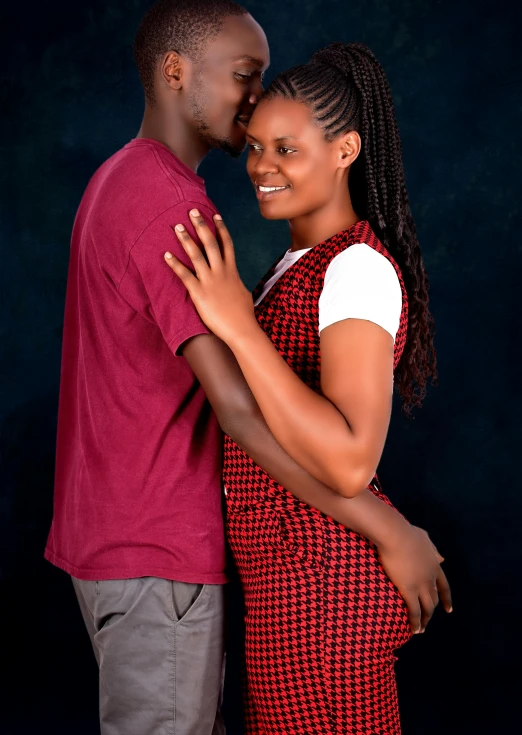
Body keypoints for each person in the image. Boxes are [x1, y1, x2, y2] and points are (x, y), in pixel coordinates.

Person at [45, 0, 449, 735]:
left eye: (285, 143)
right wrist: (392, 529)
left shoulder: (125, 181)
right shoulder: (171, 204)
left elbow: (336, 443)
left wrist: (384, 530)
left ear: (345, 151)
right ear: (176, 71)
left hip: (268, 571)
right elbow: (236, 406)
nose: (254, 103)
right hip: (163, 550)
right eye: (243, 74)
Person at [164, 42, 447, 734]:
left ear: (346, 149)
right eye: (258, 146)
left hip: (324, 595)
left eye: (287, 149)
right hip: (291, 587)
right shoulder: (295, 266)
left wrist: (238, 326)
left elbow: (351, 457)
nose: (262, 167)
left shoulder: (354, 269)